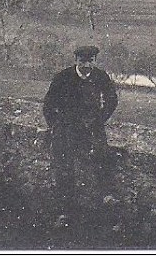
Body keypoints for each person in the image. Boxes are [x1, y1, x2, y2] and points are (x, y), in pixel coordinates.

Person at [43, 45, 119, 226]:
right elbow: (48, 104)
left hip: (91, 125)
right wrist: (55, 125)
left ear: (94, 61)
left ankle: (106, 197)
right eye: (82, 61)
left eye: (90, 61)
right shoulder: (63, 77)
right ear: (76, 60)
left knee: (102, 155)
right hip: (67, 126)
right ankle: (64, 210)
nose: (86, 65)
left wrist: (99, 119)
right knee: (64, 167)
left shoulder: (100, 76)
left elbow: (112, 100)